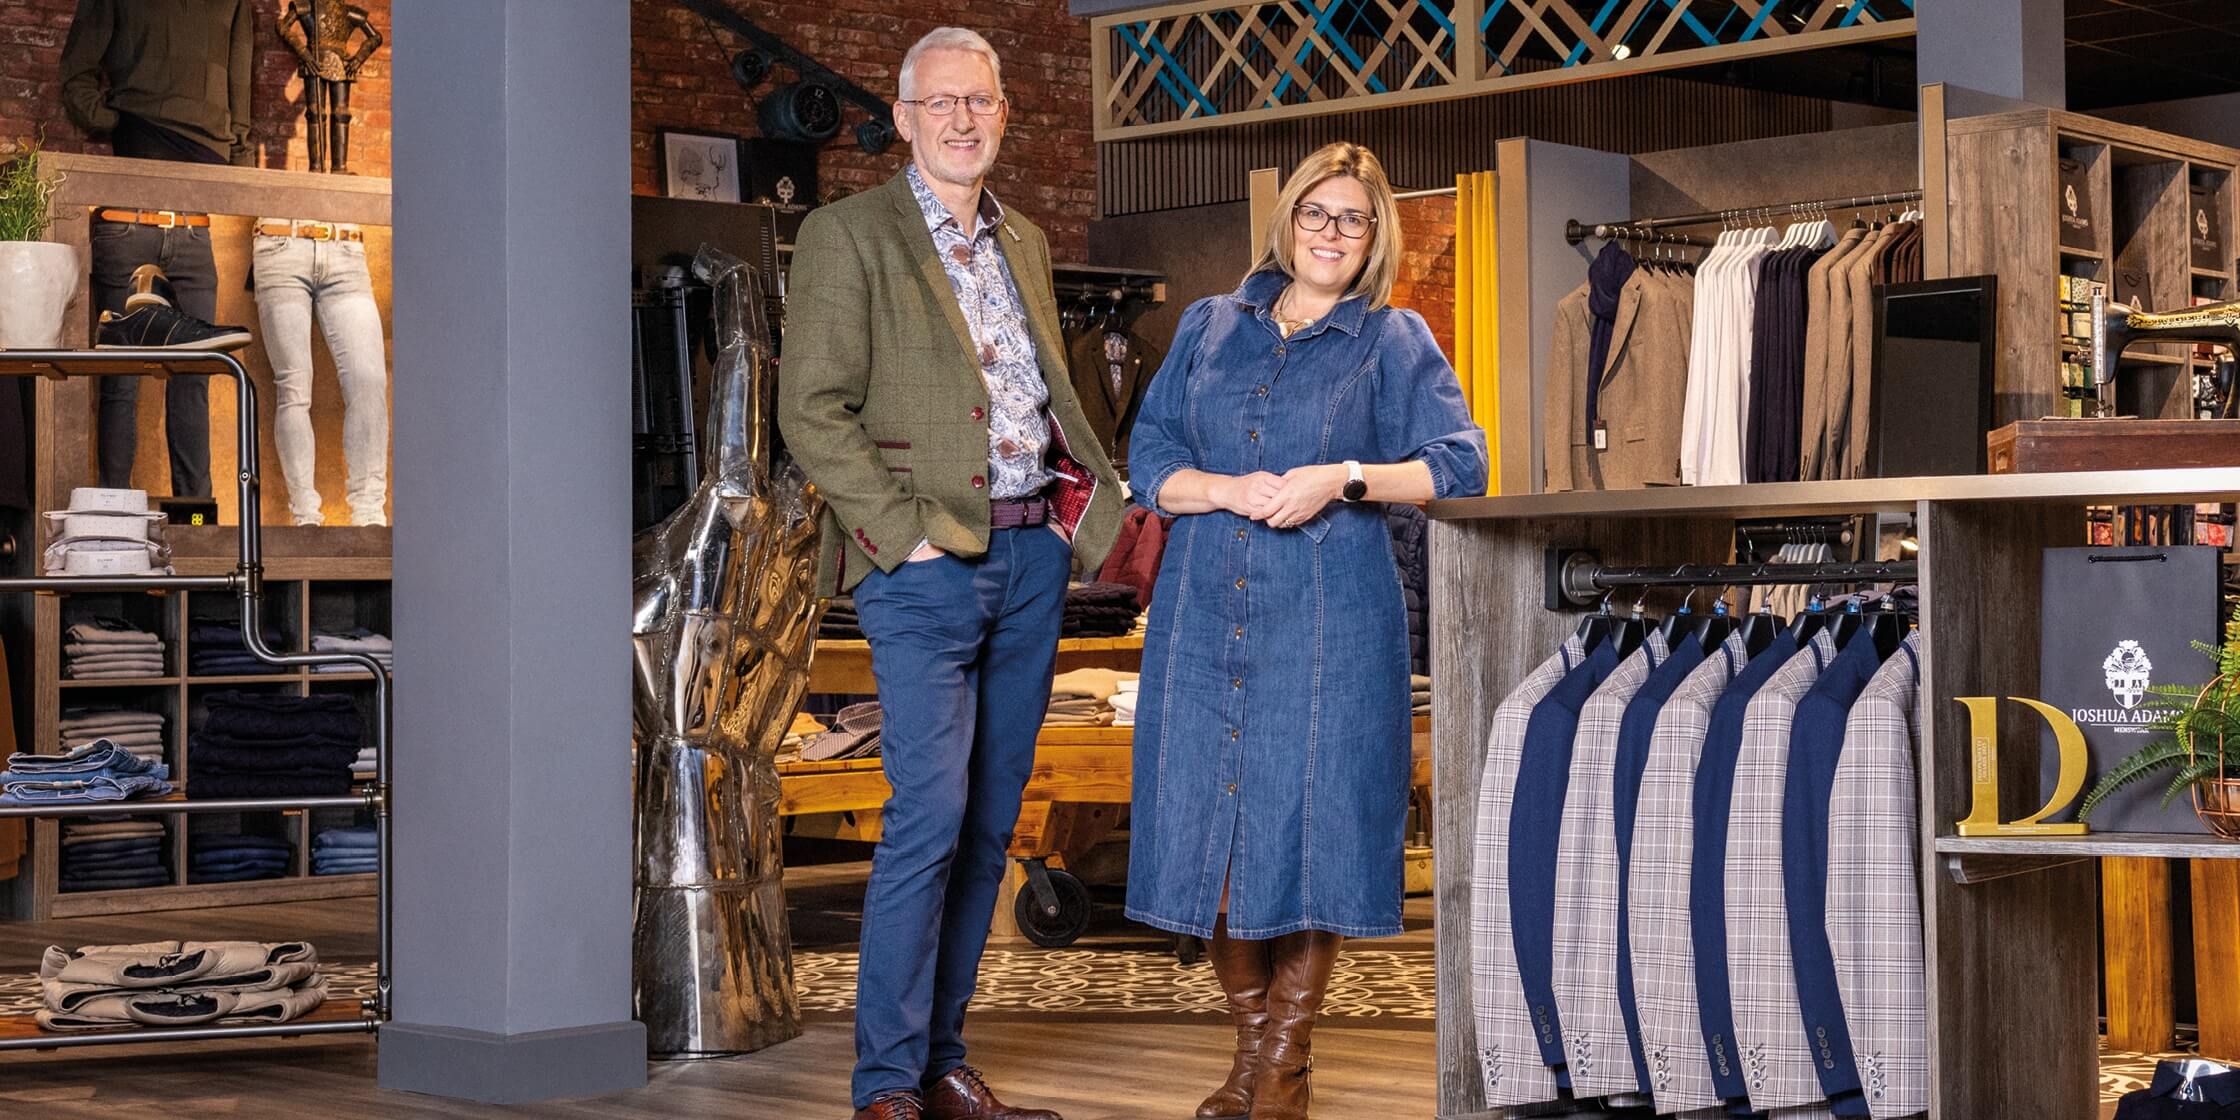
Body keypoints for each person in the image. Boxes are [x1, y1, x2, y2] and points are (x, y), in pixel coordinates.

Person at [776, 27, 1123, 1120]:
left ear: (1003, 114)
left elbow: (1038, 396)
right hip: (921, 567)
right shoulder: (848, 234)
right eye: (941, 104)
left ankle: (942, 1060)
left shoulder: (1019, 238)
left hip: (1029, 555)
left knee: (988, 819)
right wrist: (901, 533)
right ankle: (884, 1083)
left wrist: (1080, 517)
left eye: (979, 102)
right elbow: (810, 411)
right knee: (928, 810)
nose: (962, 119)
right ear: (904, 116)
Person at [1124, 142, 1487, 1120]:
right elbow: (1148, 456)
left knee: (1307, 832)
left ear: (1374, 237)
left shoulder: (1392, 339)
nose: (1330, 233)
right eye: (1314, 214)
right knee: (1216, 834)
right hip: (1201, 611)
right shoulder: (1207, 326)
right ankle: (1252, 1056)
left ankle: (1281, 1066)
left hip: (1328, 617)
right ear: (1286, 224)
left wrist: (1344, 476)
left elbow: (1461, 465)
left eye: (1352, 219)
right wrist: (1222, 488)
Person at [60, 0, 259, 495]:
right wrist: (119, 120)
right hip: (129, 214)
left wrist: (237, 153)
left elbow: (240, 78)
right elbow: (76, 74)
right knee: (120, 379)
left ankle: (197, 519)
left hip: (195, 224)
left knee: (197, 377)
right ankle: (113, 516)